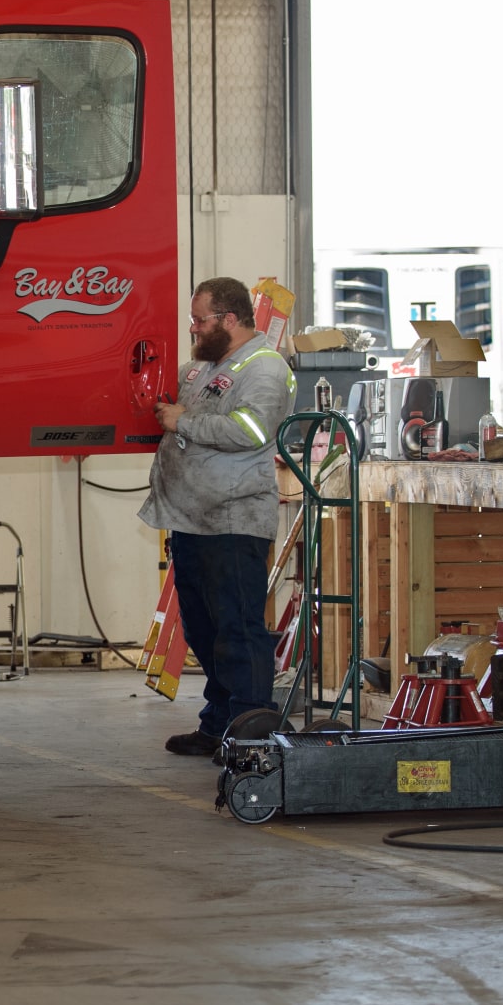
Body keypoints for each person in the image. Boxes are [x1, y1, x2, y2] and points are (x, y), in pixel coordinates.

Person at [139, 276, 296, 756]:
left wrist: (182, 420)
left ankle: (251, 730)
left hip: (232, 521)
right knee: (205, 629)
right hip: (190, 520)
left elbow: (249, 430)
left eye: (199, 320)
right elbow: (169, 399)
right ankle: (219, 720)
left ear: (230, 319)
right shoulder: (201, 369)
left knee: (238, 627)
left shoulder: (265, 368)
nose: (192, 329)